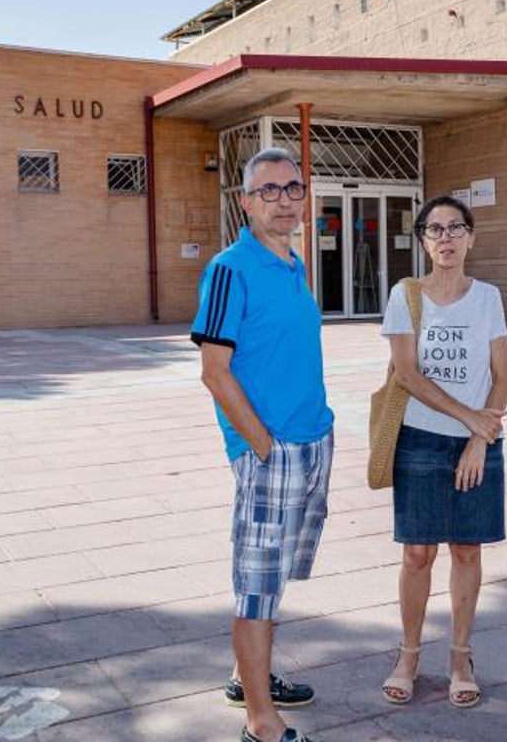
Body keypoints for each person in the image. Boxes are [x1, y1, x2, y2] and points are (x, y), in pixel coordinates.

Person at [191, 147, 334, 742]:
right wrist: (263, 447)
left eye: (292, 188)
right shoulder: (231, 268)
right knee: (256, 587)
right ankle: (261, 723)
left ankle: (246, 679)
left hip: (313, 441)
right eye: (268, 190)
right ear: (246, 202)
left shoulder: (294, 264)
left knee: (276, 577)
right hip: (272, 453)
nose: (283, 200)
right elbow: (213, 370)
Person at [377, 195, 507, 709]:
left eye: (456, 228)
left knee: (467, 550)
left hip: (477, 443)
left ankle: (460, 658)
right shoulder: (406, 295)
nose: (446, 238)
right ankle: (409, 655)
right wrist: (468, 415)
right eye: (435, 230)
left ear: (471, 237)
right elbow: (407, 374)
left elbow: (503, 377)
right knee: (417, 554)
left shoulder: (488, 297)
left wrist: (479, 435)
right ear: (423, 241)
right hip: (420, 439)